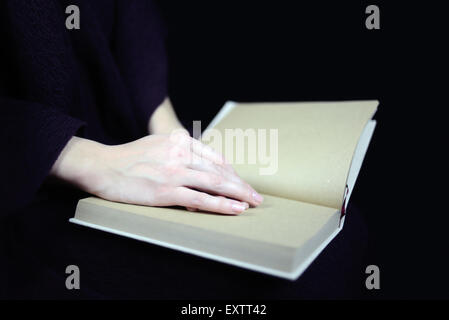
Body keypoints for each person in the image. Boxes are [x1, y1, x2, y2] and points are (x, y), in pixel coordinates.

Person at [0, 0, 368, 299]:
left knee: (337, 240)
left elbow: (130, 20)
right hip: (28, 186)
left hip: (128, 142)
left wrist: (173, 136)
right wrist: (78, 156)